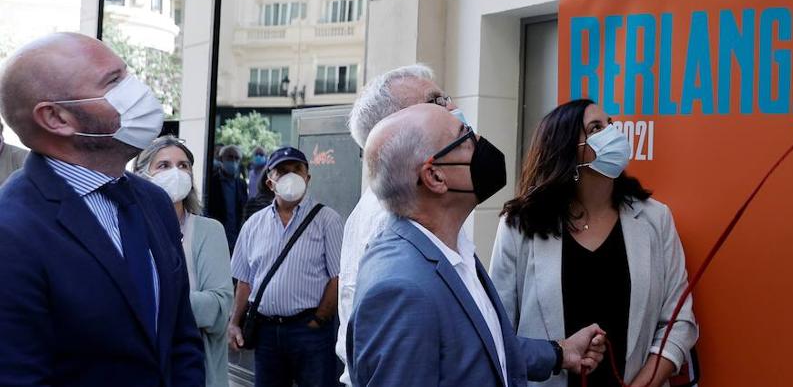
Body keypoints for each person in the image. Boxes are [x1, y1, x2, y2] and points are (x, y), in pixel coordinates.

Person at [349, 104, 607, 387]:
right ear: (435, 177)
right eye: (465, 136)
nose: (480, 142)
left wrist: (559, 352)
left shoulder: (449, 248)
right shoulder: (402, 290)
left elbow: (485, 346)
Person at [0, 33, 204, 385]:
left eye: (126, 74)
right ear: (56, 118)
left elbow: (181, 339)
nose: (138, 90)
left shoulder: (154, 201)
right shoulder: (12, 230)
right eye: (114, 82)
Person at [491, 99, 698, 387]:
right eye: (596, 128)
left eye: (610, 124)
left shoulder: (655, 219)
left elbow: (679, 323)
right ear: (567, 150)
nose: (613, 133)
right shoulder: (519, 225)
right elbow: (497, 331)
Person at [336, 63, 477, 384]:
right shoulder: (392, 220)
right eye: (437, 101)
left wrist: (554, 352)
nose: (453, 109)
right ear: (397, 128)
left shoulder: (432, 206)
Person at [228, 146, 344, 387]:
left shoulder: (327, 220)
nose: (290, 176)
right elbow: (245, 281)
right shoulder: (254, 224)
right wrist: (234, 322)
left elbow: (337, 278)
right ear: (270, 182)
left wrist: (320, 319)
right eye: (282, 171)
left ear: (307, 178)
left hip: (309, 332)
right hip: (266, 332)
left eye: (297, 170)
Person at [135, 135, 234, 387]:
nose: (176, 172)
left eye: (183, 165)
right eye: (163, 165)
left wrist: (150, 300)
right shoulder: (128, 230)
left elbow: (219, 308)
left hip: (194, 369)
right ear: (142, 174)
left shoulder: (208, 230)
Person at [208, 143, 247, 250]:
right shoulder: (211, 182)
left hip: (236, 238)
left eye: (236, 158)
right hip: (217, 237)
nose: (233, 161)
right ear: (221, 159)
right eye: (229, 157)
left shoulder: (241, 184)